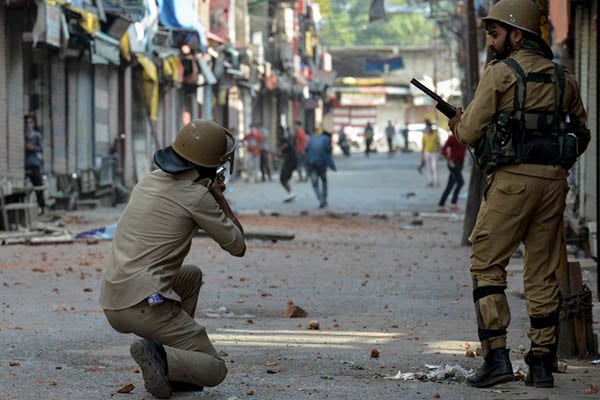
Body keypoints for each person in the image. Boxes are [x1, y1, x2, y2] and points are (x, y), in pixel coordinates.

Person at [448, 0, 590, 389]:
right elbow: (582, 131)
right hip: (554, 185)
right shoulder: (564, 77)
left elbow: (471, 133)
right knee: (542, 272)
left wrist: (457, 124)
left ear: (517, 34)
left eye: (495, 34)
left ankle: (497, 360)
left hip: (511, 183)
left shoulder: (500, 74)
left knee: (485, 262)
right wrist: (554, 164)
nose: (491, 42)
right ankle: (542, 364)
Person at [100, 119, 247, 399]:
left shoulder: (148, 180)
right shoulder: (196, 196)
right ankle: (162, 357)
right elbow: (238, 246)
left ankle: (176, 370)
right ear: (212, 166)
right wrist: (219, 198)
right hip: (145, 304)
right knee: (216, 369)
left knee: (190, 277)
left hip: (114, 299)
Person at [305, 115, 336, 208]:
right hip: (322, 164)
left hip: (311, 164)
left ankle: (321, 199)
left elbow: (306, 149)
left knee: (314, 184)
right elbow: (329, 150)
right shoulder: (326, 139)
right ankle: (324, 199)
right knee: (324, 180)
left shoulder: (311, 139)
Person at [437, 134, 466, 213]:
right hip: (454, 163)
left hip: (459, 164)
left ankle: (441, 205)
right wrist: (449, 161)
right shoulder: (452, 137)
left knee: (450, 185)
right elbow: (444, 150)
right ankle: (452, 203)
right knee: (461, 182)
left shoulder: (464, 137)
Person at [24, 114, 46, 215]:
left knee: (39, 187)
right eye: (27, 123)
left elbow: (41, 149)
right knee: (24, 188)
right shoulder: (22, 135)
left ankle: (41, 207)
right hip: (25, 166)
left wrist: (33, 148)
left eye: (30, 122)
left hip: (35, 164)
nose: (29, 125)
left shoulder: (37, 136)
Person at [276, 125, 297, 202]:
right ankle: (290, 193)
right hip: (290, 161)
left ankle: (291, 193)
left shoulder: (283, 139)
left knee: (283, 178)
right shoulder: (282, 139)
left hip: (290, 161)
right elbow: (283, 153)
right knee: (284, 179)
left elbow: (285, 145)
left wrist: (279, 151)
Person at [420, 119, 440, 187]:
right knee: (429, 168)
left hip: (434, 152)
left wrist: (440, 153)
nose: (428, 129)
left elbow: (438, 144)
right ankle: (430, 181)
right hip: (427, 152)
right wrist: (422, 155)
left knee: (434, 167)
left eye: (429, 127)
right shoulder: (425, 135)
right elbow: (423, 145)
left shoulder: (435, 134)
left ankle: (436, 181)